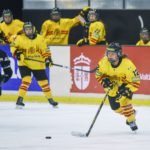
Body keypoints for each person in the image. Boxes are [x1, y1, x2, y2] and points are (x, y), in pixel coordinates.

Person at [10, 21, 58, 108]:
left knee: (44, 83)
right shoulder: (19, 38)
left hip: (37, 64)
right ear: (24, 30)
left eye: (30, 29)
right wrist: (16, 52)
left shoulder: (40, 39)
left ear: (33, 29)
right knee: (26, 80)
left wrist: (48, 59)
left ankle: (51, 100)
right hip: (24, 63)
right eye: (26, 29)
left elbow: (45, 50)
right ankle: (19, 100)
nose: (28, 31)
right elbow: (13, 47)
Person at [95, 42, 140, 131]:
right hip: (112, 85)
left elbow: (136, 81)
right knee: (115, 108)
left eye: (112, 54)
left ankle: (131, 120)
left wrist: (128, 89)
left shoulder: (128, 65)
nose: (110, 56)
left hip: (125, 85)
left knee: (124, 102)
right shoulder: (103, 62)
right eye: (108, 53)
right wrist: (104, 80)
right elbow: (98, 74)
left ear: (119, 54)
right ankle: (132, 112)